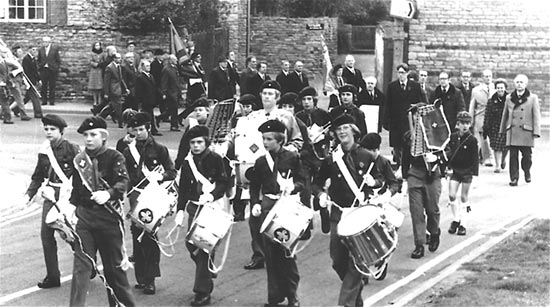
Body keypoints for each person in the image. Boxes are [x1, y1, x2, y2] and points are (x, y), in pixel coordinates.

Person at [312, 114, 382, 307]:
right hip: (338, 214)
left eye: (345, 128)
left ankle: (346, 303)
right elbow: (316, 184)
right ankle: (356, 296)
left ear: (354, 131)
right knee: (337, 259)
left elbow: (382, 180)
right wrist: (320, 195)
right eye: (338, 129)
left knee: (357, 261)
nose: (342, 132)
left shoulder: (366, 156)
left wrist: (373, 182)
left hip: (360, 214)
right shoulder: (330, 159)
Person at [69, 116, 135, 307]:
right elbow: (76, 189)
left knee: (114, 271)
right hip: (85, 218)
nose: (88, 139)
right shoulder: (79, 161)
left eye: (93, 134)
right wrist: (71, 209)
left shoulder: (115, 157)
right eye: (86, 135)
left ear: (104, 137)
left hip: (108, 218)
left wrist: (109, 194)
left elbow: (123, 182)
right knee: (81, 268)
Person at [249, 119, 305, 307]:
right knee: (271, 256)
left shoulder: (292, 157)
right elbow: (255, 185)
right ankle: (274, 297)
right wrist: (255, 203)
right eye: (263, 138)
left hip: (286, 207)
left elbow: (302, 181)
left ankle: (292, 295)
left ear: (280, 140)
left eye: (269, 139)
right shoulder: (260, 161)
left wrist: (293, 186)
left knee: (287, 253)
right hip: (267, 207)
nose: (265, 142)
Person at [174, 125, 229, 307]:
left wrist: (212, 195)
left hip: (212, 207)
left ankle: (202, 291)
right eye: (192, 143)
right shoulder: (187, 162)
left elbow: (223, 182)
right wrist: (180, 210)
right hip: (194, 207)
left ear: (207, 142)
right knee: (191, 244)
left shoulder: (215, 158)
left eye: (199, 142)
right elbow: (182, 188)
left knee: (203, 247)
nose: (196, 146)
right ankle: (206, 272)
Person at [24, 114, 80, 289]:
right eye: (46, 129)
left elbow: (81, 174)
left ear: (61, 131)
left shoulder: (72, 148)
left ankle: (87, 264)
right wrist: (29, 194)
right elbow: (38, 175)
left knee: (70, 233)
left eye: (52, 129)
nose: (48, 132)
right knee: (46, 235)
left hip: (68, 194)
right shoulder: (44, 150)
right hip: (50, 194)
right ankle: (53, 276)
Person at [123, 112, 176, 295]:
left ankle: (151, 279)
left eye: (141, 129)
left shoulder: (159, 149)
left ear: (148, 128)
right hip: (136, 196)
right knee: (137, 235)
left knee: (150, 235)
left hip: (153, 196)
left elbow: (172, 171)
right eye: (135, 130)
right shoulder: (127, 150)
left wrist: (160, 176)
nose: (138, 133)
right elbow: (125, 175)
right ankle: (141, 278)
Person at [402, 125, 443, 259]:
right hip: (415, 174)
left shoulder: (436, 132)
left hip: (432, 174)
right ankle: (419, 244)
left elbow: (447, 150)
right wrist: (405, 176)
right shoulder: (410, 135)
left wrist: (437, 157)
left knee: (432, 209)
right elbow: (405, 157)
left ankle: (434, 231)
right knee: (416, 212)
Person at [499, 74, 541, 186]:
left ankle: (526, 171)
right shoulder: (509, 98)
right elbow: (505, 115)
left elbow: (536, 116)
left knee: (527, 157)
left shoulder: (532, 98)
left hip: (526, 132)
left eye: (521, 82)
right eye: (517, 82)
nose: (519, 84)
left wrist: (536, 131)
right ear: (514, 84)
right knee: (513, 156)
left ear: (526, 84)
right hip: (512, 131)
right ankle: (514, 178)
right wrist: (502, 130)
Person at [383, 63, 426, 168]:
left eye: (402, 73)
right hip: (396, 122)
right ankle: (399, 168)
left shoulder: (415, 86)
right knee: (397, 147)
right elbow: (387, 105)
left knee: (409, 146)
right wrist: (386, 122)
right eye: (399, 73)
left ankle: (408, 168)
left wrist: (416, 107)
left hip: (410, 123)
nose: (400, 75)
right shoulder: (392, 86)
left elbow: (423, 103)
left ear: (407, 73)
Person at [445, 111, 478, 236]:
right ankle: (456, 219)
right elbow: (449, 152)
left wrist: (474, 173)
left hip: (467, 172)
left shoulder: (472, 140)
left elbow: (475, 158)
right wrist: (447, 167)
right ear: (457, 124)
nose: (465, 126)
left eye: (467, 123)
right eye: (462, 123)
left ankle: (463, 223)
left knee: (464, 197)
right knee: (452, 195)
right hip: (455, 170)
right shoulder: (453, 137)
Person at [360, 133, 401, 199]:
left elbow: (394, 184)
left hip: (379, 197)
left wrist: (388, 194)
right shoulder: (359, 160)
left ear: (375, 150)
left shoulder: (383, 162)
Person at [174, 97, 210, 170]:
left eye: (200, 110)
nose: (198, 112)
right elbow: (184, 145)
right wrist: (179, 162)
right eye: (195, 110)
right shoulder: (192, 125)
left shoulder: (212, 124)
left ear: (207, 111)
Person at [469, 69, 495, 166]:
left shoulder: (496, 88)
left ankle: (490, 158)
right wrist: (470, 120)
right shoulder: (476, 90)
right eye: (486, 76)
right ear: (482, 77)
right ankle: (479, 158)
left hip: (492, 117)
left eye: (490, 76)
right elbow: (472, 106)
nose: (488, 78)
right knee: (479, 138)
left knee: (490, 138)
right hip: (480, 116)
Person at [482, 78, 508, 173]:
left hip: (506, 125)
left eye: (501, 88)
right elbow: (487, 114)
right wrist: (485, 127)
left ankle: (503, 159)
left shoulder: (509, 99)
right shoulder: (491, 100)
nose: (500, 90)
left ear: (505, 88)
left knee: (505, 146)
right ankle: (497, 165)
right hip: (494, 126)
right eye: (498, 88)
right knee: (496, 146)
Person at [101, 52, 129, 128]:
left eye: (120, 58)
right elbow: (106, 81)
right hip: (113, 90)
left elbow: (121, 79)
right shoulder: (109, 68)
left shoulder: (118, 66)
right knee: (118, 106)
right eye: (117, 58)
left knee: (112, 106)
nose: (119, 59)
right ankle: (120, 122)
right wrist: (106, 93)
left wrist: (125, 88)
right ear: (114, 59)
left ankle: (100, 117)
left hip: (118, 89)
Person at [135, 59, 162, 136]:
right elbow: (139, 91)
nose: (149, 67)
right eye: (147, 66)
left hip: (151, 99)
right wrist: (140, 101)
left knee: (150, 115)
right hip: (145, 100)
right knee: (148, 116)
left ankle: (150, 129)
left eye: (149, 66)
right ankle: (152, 129)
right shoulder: (140, 77)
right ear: (142, 67)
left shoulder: (151, 76)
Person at [159, 54, 184, 131]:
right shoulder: (166, 69)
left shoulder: (175, 68)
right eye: (175, 59)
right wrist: (164, 92)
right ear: (171, 60)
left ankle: (159, 118)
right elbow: (164, 82)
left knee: (171, 109)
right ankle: (174, 125)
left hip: (176, 91)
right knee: (174, 109)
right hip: (170, 92)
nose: (177, 61)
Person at [37, 36, 61, 106]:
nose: (44, 43)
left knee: (52, 85)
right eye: (43, 42)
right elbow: (39, 59)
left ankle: (52, 101)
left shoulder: (54, 49)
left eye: (46, 42)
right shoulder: (41, 49)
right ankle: (44, 100)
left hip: (52, 69)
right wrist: (40, 66)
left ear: (49, 42)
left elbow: (58, 60)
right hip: (44, 69)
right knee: (43, 86)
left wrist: (56, 67)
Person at [0, 45, 21, 124]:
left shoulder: (4, 62)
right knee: (4, 101)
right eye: (4, 53)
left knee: (5, 101)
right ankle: (7, 118)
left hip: (3, 84)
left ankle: (6, 116)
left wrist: (10, 82)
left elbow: (7, 74)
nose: (6, 54)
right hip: (1, 84)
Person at [22, 44, 43, 118]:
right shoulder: (26, 59)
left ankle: (16, 109)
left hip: (33, 81)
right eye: (33, 49)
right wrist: (29, 82)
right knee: (35, 97)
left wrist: (39, 79)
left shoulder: (33, 59)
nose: (35, 51)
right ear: (29, 50)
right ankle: (38, 113)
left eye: (36, 50)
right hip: (29, 81)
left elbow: (35, 71)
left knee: (27, 97)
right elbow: (26, 72)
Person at [88, 42, 104, 108]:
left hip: (100, 71)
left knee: (100, 86)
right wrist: (95, 64)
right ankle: (95, 101)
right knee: (94, 86)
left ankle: (99, 100)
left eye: (98, 45)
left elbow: (104, 60)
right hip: (94, 71)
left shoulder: (102, 54)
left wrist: (101, 64)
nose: (97, 47)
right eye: (96, 45)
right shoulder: (92, 53)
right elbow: (90, 61)